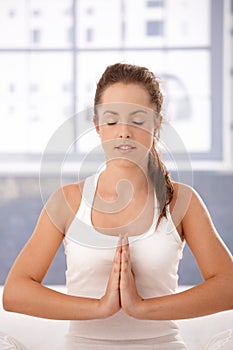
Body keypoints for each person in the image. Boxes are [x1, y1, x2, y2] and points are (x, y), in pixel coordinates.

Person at [2, 63, 233, 350]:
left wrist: (141, 307)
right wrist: (101, 307)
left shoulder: (181, 202)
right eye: (112, 121)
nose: (124, 132)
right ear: (97, 126)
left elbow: (228, 286)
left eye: (138, 120)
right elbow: (14, 293)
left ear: (157, 124)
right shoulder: (67, 201)